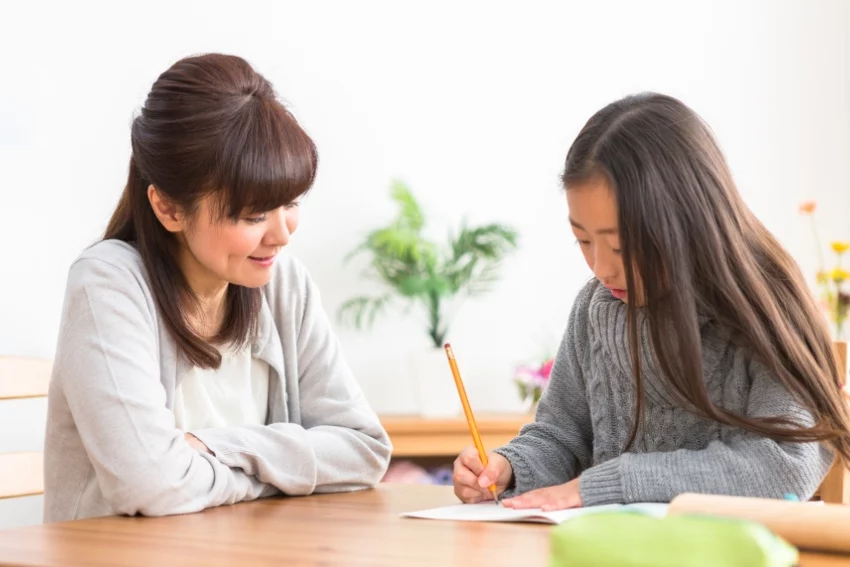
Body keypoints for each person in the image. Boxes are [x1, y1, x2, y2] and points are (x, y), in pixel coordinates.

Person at [453, 92, 850, 510]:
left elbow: (785, 465)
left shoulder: (764, 311)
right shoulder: (595, 308)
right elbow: (561, 437)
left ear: (690, 222)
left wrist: (611, 482)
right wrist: (509, 467)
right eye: (583, 241)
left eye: (621, 247)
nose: (601, 268)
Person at [44, 53, 391, 521]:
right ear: (168, 208)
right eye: (253, 215)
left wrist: (215, 448)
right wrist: (282, 475)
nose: (282, 234)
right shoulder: (108, 284)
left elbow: (364, 449)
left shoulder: (282, 283)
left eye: (289, 203)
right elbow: (150, 486)